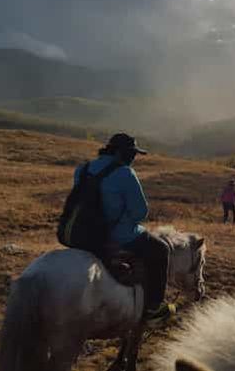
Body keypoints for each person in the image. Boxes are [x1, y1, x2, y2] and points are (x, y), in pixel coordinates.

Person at [73, 133, 174, 328]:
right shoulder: (125, 173)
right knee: (161, 249)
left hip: (82, 234)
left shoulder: (82, 169)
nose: (133, 157)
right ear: (121, 152)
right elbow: (140, 212)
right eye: (132, 153)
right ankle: (154, 309)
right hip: (118, 236)